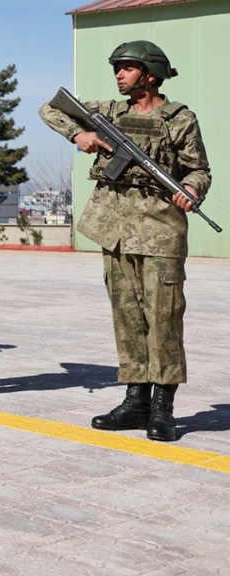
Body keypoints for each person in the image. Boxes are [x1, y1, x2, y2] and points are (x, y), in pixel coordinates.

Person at [40, 40, 211, 442]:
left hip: (160, 231)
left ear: (150, 74)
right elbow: (50, 107)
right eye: (117, 67)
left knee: (163, 320)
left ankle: (163, 408)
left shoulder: (180, 118)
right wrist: (78, 135)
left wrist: (190, 189)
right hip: (115, 230)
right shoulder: (111, 112)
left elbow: (199, 170)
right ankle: (135, 400)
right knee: (128, 318)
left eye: (127, 67)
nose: (118, 73)